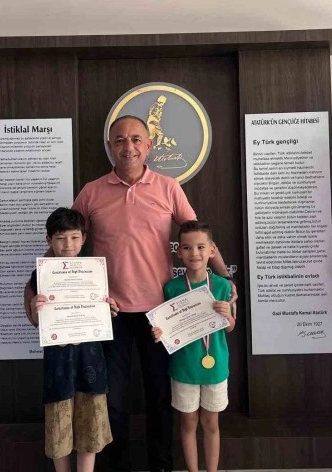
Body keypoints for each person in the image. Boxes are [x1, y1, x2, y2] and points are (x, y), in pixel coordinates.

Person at [71, 115, 236, 472]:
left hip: (161, 314)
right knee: (114, 401)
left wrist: (225, 277)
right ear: (110, 146)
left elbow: (198, 237)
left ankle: (161, 466)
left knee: (160, 397)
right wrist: (45, 282)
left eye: (135, 139)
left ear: (148, 146)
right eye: (119, 140)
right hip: (110, 312)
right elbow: (67, 240)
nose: (127, 146)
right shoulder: (91, 192)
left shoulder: (168, 187)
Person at [25, 207, 113, 472]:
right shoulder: (40, 275)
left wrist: (109, 308)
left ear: (84, 238)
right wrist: (35, 307)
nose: (68, 245)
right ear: (49, 240)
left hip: (91, 359)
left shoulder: (94, 271)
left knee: (91, 426)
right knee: (59, 427)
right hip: (59, 363)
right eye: (60, 238)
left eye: (74, 237)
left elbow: (104, 310)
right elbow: (35, 321)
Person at [151, 221, 234, 472]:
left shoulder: (223, 286)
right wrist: (159, 332)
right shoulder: (172, 288)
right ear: (178, 252)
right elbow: (166, 326)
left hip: (215, 366)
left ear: (212, 250)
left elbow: (230, 328)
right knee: (187, 423)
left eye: (200, 247)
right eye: (187, 248)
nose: (194, 253)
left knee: (211, 423)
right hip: (184, 367)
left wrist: (227, 315)